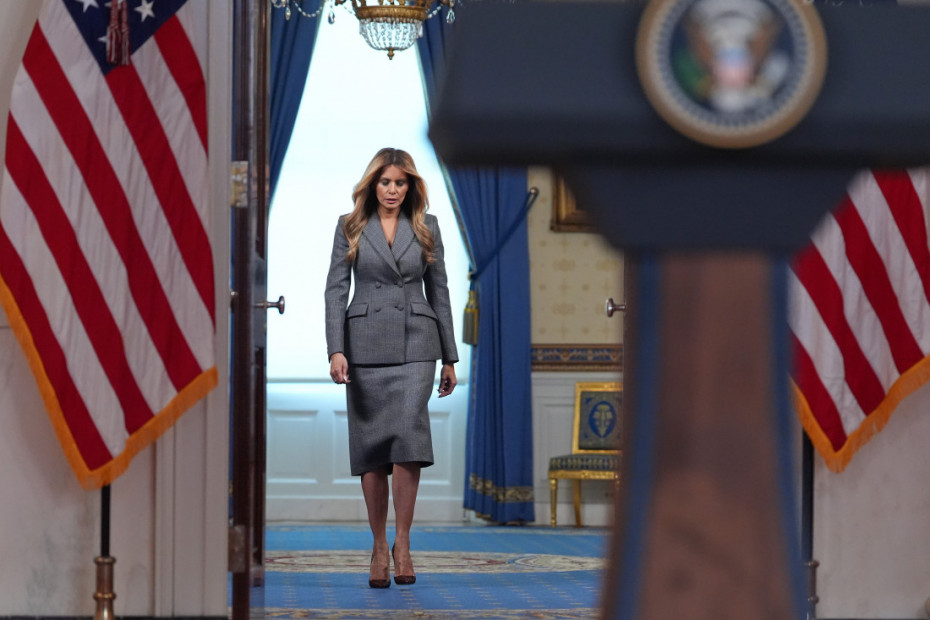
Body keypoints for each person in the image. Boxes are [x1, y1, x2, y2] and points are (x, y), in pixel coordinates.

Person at [324, 148, 459, 589]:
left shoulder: (426, 226)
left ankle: (403, 543)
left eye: (400, 183)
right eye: (385, 182)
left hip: (417, 343)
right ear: (373, 185)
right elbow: (335, 290)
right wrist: (335, 349)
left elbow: (440, 291)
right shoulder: (350, 226)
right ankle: (379, 546)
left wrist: (450, 356)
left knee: (408, 440)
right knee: (372, 447)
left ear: (410, 186)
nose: (392, 190)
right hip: (363, 345)